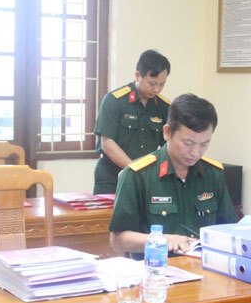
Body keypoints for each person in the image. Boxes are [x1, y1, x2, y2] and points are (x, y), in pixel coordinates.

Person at [109, 93, 237, 254]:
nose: (195, 152)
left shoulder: (213, 174)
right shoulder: (138, 175)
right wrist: (163, 240)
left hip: (204, 265)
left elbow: (229, 229)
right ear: (167, 132)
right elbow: (118, 240)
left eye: (204, 144)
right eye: (188, 143)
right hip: (158, 266)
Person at [93, 49, 171, 194]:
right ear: (137, 75)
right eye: (152, 83)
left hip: (145, 180)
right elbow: (107, 143)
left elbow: (168, 146)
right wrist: (134, 169)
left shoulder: (164, 108)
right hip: (111, 178)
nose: (156, 89)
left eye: (162, 84)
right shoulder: (114, 100)